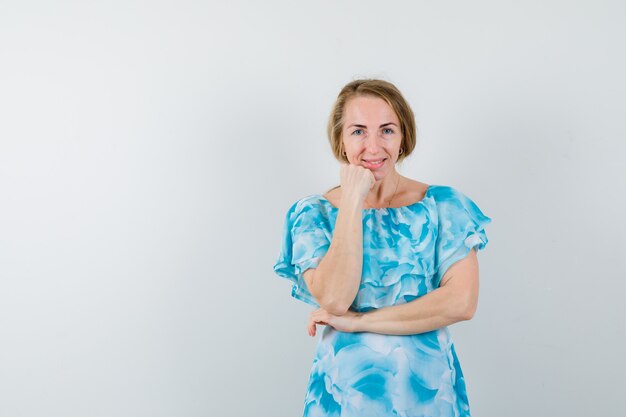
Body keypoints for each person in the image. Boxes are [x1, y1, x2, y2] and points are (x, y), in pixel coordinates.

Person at [273, 78, 492, 417]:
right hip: (344, 394)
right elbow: (334, 298)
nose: (373, 147)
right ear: (341, 141)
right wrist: (352, 201)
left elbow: (460, 303)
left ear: (403, 137)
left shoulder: (443, 205)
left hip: (427, 393)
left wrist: (360, 322)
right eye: (358, 131)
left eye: (386, 130)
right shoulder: (313, 214)